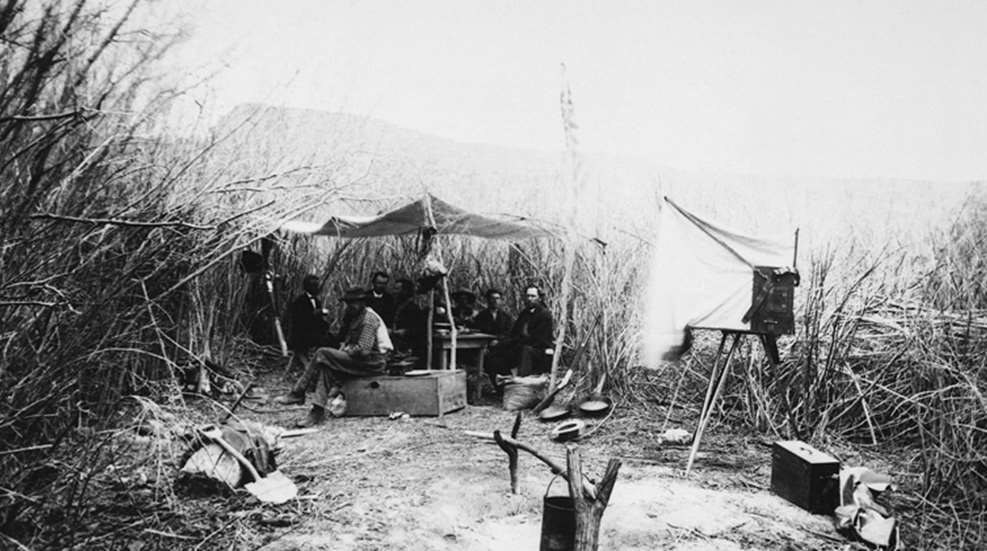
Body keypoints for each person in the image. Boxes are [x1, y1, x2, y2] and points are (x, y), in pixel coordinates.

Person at [276, 287, 393, 427]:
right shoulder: (355, 317)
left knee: (322, 352)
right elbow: (348, 341)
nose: (350, 306)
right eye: (348, 303)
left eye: (354, 303)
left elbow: (364, 351)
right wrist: (342, 351)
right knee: (326, 369)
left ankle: (298, 392)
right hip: (361, 361)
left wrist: (347, 351)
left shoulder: (369, 319)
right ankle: (317, 412)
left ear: (362, 302)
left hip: (372, 363)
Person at [484, 285, 555, 389]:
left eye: (533, 296)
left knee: (525, 351)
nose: (529, 299)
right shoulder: (524, 313)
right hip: (521, 347)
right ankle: (503, 387)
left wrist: (516, 342)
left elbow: (538, 340)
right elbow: (514, 334)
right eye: (527, 296)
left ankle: (521, 387)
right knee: (493, 357)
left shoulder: (544, 315)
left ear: (539, 298)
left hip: (539, 351)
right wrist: (500, 344)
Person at [285, 274, 330, 371]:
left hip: (312, 332)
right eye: (314, 285)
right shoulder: (299, 301)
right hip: (300, 334)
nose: (317, 288)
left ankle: (321, 364)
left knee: (330, 338)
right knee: (303, 347)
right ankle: (309, 368)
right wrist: (317, 313)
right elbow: (300, 320)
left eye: (317, 285)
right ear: (307, 287)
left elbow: (318, 321)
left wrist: (326, 326)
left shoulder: (317, 301)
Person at [390, 278, 425, 360]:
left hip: (409, 347)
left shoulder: (413, 308)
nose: (394, 292)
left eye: (397, 289)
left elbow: (420, 329)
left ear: (405, 291)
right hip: (395, 345)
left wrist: (405, 332)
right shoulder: (393, 306)